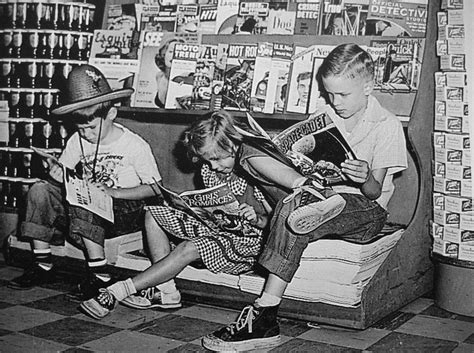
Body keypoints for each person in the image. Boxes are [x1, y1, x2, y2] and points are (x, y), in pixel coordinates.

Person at [201, 43, 408, 351]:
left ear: (368, 86)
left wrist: (364, 176)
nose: (335, 103)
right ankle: (307, 194)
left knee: (295, 206)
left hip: (365, 208)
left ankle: (264, 315)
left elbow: (376, 191)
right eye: (330, 94)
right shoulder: (325, 115)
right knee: (248, 152)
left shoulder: (387, 124)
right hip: (318, 190)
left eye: (343, 95)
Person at [79, 110, 279, 317]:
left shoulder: (256, 170)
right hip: (219, 230)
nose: (213, 166)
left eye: (217, 159)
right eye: (206, 160)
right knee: (154, 212)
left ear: (234, 146)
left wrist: (257, 219)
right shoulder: (210, 170)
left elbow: (276, 222)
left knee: (190, 246)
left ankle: (119, 290)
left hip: (250, 242)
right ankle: (167, 291)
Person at [8, 64, 162, 302]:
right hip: (87, 209)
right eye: (80, 129)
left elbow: (154, 188)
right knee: (40, 189)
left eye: (90, 128)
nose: (86, 134)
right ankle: (43, 263)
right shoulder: (77, 139)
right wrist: (56, 176)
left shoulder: (134, 145)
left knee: (88, 198)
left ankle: (100, 274)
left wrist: (115, 192)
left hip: (124, 211)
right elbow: (64, 178)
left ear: (111, 114)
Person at [154, 37, 185, 108]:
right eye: (171, 52)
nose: (173, 56)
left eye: (177, 52)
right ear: (164, 54)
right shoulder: (159, 76)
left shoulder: (186, 80)